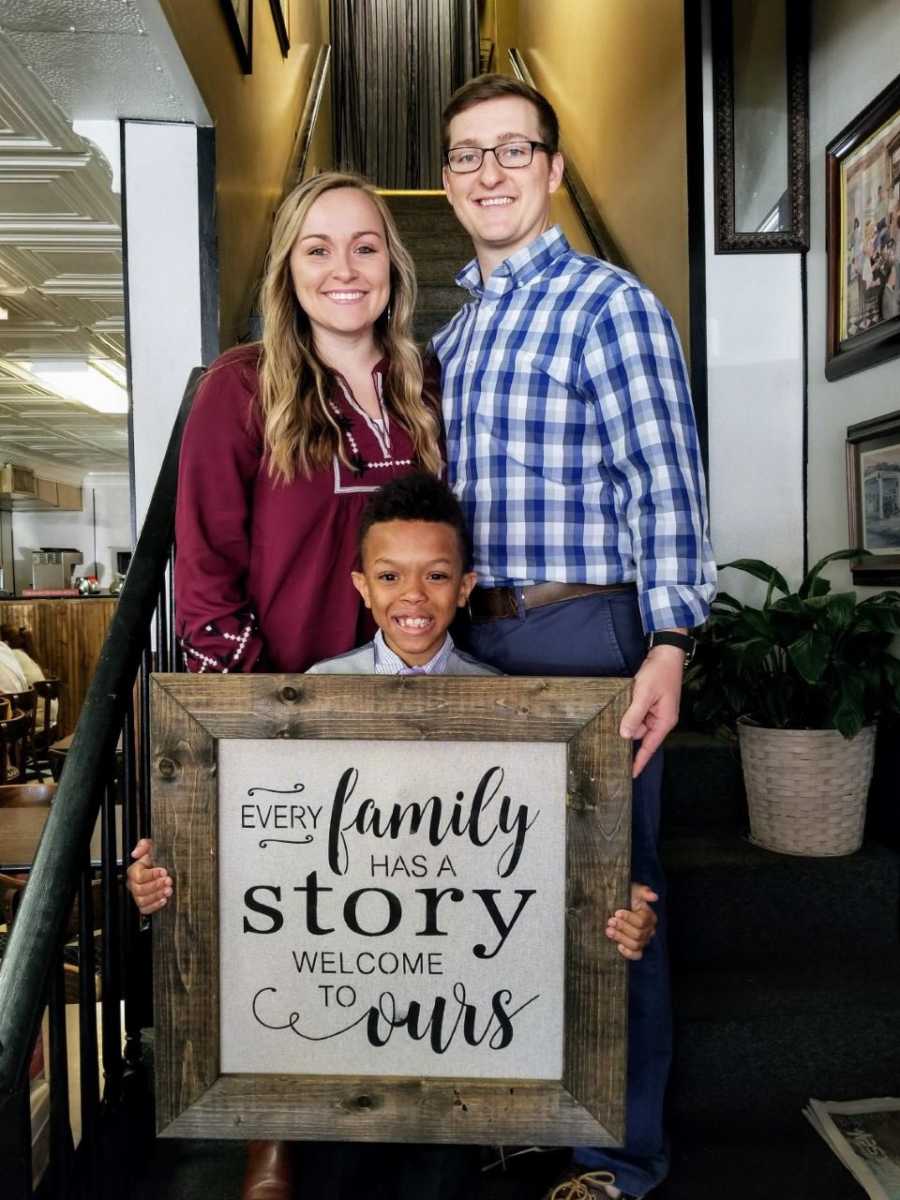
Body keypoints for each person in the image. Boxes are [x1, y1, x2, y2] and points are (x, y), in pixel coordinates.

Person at [130, 475, 660, 1197]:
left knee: (434, 1171)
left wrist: (613, 894)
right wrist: (171, 868)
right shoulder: (313, 690)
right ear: (360, 586)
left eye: (437, 576)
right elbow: (260, 834)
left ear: (466, 586)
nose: (413, 596)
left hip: (451, 1007)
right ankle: (285, 1146)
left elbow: (546, 845)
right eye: (389, 576)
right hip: (340, 984)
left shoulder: (512, 706)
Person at [130, 169, 442, 1200]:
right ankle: (274, 1136)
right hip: (286, 706)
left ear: (393, 266)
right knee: (282, 923)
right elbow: (208, 567)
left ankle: (400, 1102)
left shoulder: (424, 386)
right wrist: (258, 712)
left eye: (363, 246)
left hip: (408, 704)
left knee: (388, 918)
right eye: (317, 247)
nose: (342, 268)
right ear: (288, 268)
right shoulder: (240, 385)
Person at [431, 74, 716, 1200]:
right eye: (467, 155)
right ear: (448, 181)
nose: (490, 172)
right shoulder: (451, 335)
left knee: (610, 900)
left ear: (552, 169)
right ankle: (509, 1116)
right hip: (472, 645)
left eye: (514, 150)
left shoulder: (610, 305)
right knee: (486, 895)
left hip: (583, 633)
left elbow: (666, 480)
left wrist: (672, 641)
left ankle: (616, 1161)